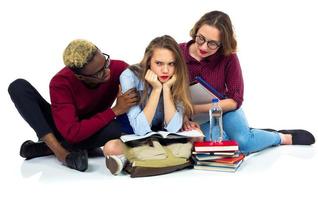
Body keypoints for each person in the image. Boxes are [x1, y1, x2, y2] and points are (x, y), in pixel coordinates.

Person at [180, 11, 315, 155]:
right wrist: (184, 118)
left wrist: (195, 108)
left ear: (222, 44)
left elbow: (235, 100)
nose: (204, 47)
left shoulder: (228, 57)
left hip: (223, 109)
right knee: (220, 145)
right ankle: (252, 134)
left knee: (243, 144)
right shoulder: (176, 53)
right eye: (200, 38)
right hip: (191, 118)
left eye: (212, 43)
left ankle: (280, 137)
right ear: (195, 31)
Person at [8, 39, 139, 172]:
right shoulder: (60, 83)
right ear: (80, 77)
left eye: (106, 62)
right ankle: (62, 154)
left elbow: (142, 81)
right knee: (18, 87)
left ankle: (47, 147)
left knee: (118, 128)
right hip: (65, 127)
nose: (107, 71)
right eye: (98, 72)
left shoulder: (118, 68)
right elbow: (71, 132)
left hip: (94, 130)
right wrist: (115, 110)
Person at [103, 35, 194, 175]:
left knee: (197, 138)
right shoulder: (129, 76)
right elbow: (140, 129)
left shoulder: (177, 76)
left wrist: (167, 89)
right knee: (110, 148)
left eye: (171, 64)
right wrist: (157, 89)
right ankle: (170, 157)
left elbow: (173, 127)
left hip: (161, 135)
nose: (165, 70)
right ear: (148, 61)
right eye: (159, 63)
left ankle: (132, 160)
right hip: (134, 135)